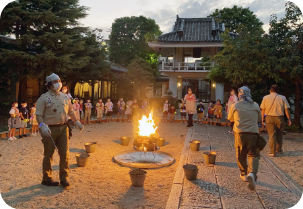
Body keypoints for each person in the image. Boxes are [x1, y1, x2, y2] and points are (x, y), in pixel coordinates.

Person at [35, 73, 83, 188]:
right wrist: (42, 125)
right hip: (49, 129)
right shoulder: (44, 98)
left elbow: (71, 111)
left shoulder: (65, 97)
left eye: (59, 81)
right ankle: (46, 178)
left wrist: (76, 121)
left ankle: (64, 178)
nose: (59, 83)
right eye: (56, 81)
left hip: (64, 128)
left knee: (64, 153)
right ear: (50, 84)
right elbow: (38, 115)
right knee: (48, 154)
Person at [228, 86, 262, 190]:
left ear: (239, 94)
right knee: (253, 155)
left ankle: (244, 173)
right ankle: (252, 173)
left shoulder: (235, 105)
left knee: (241, 154)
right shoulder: (255, 105)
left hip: (240, 133)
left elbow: (230, 118)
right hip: (253, 134)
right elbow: (260, 119)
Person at [260, 85, 291, 157]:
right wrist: (289, 118)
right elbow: (287, 109)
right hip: (279, 118)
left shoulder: (266, 98)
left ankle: (272, 152)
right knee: (279, 134)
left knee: (271, 135)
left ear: (270, 90)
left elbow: (263, 109)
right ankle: (278, 150)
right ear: (278, 91)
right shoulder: (282, 98)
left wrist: (262, 119)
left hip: (269, 118)